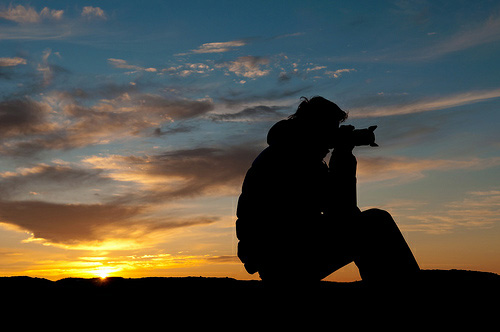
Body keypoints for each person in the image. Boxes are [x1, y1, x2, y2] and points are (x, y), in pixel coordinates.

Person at [235, 96, 420, 286]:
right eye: (331, 129)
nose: (332, 139)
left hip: (284, 255)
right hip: (285, 261)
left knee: (370, 225)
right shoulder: (293, 158)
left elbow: (336, 214)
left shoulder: (291, 152)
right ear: (316, 127)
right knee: (377, 223)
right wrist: (343, 154)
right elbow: (341, 209)